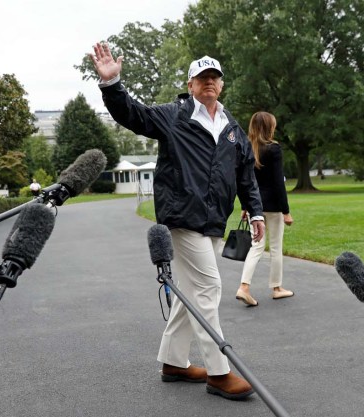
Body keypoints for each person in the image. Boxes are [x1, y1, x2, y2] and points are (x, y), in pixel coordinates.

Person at [89, 43, 265, 401]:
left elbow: (245, 173)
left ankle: (173, 362)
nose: (209, 82)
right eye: (202, 77)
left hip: (215, 218)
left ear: (222, 84)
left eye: (214, 77)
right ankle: (219, 372)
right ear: (190, 84)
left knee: (191, 294)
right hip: (182, 217)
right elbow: (133, 114)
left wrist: (256, 210)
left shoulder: (231, 127)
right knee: (208, 288)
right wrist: (112, 85)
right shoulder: (174, 115)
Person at [235, 112, 294, 307]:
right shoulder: (274, 149)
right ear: (269, 127)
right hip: (274, 206)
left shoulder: (247, 148)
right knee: (276, 247)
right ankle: (277, 288)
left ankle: (244, 287)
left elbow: (245, 182)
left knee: (257, 246)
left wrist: (245, 206)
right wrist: (286, 211)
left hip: (255, 206)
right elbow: (278, 182)